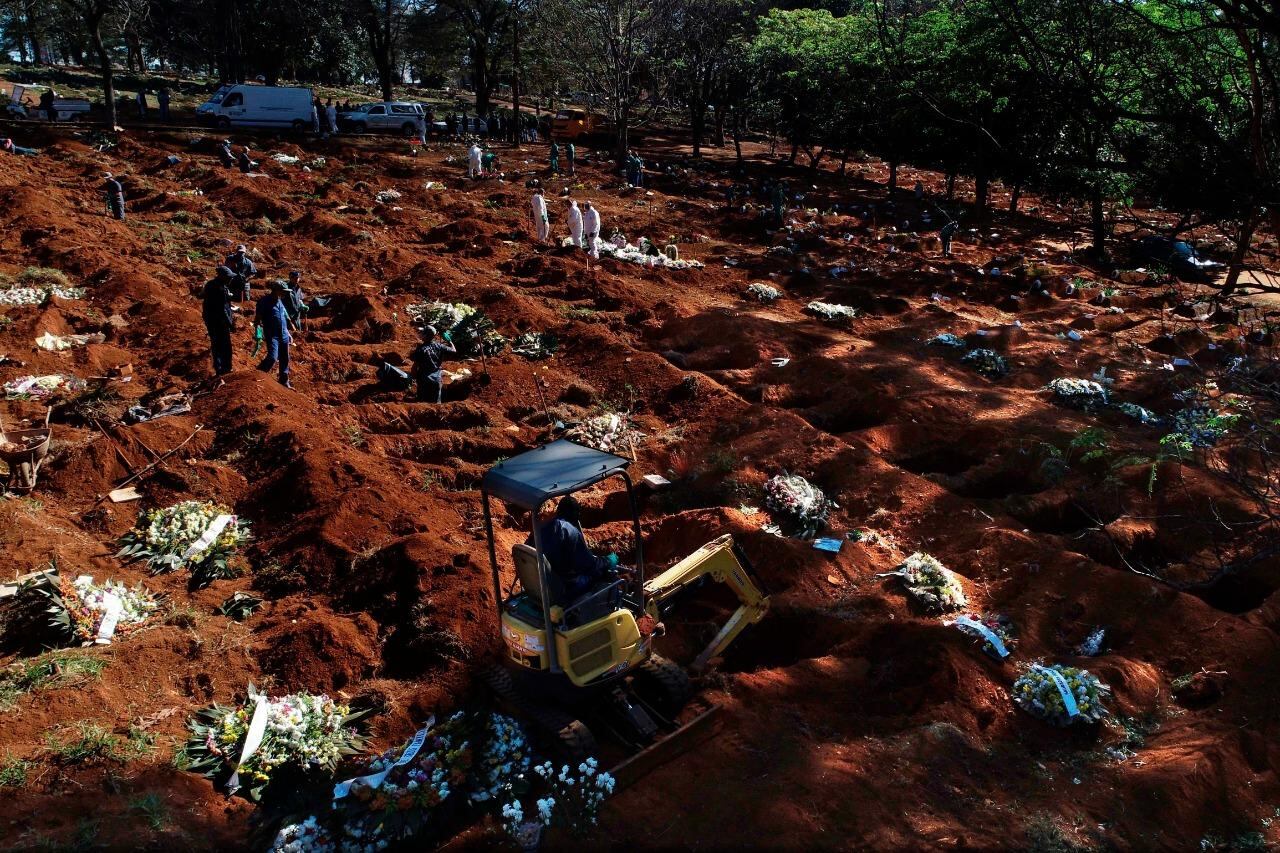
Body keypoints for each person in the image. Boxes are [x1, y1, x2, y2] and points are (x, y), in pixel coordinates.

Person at [527, 496, 621, 600]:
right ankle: (609, 607)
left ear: (559, 511)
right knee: (604, 575)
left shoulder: (540, 527)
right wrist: (608, 561)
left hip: (539, 585)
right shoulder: (570, 532)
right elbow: (590, 565)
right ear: (575, 514)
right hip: (561, 589)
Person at [254, 280, 294, 388]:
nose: (285, 293)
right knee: (272, 357)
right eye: (283, 291)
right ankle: (258, 374)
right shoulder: (264, 301)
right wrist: (258, 332)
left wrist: (288, 333)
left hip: (284, 334)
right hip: (272, 334)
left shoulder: (279, 301)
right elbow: (257, 319)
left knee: (285, 358)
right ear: (276, 290)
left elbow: (283, 319)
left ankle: (284, 381)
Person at [202, 266, 236, 376]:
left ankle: (219, 368)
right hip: (219, 321)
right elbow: (222, 309)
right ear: (222, 276)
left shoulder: (210, 285)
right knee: (224, 345)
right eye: (228, 277)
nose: (230, 279)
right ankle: (225, 369)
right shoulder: (220, 288)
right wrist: (230, 324)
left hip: (211, 320)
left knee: (216, 344)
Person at [409, 325, 456, 403]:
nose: (421, 334)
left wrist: (413, 378)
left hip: (423, 381)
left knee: (421, 404)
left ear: (425, 335)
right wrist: (450, 341)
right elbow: (454, 351)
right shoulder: (439, 346)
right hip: (437, 379)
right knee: (436, 405)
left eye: (423, 333)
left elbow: (415, 366)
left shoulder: (421, 349)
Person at [582, 201, 600, 268]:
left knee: (592, 242)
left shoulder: (594, 213)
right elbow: (585, 224)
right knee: (590, 243)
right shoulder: (587, 213)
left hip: (593, 231)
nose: (586, 207)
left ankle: (594, 256)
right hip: (588, 231)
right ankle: (594, 255)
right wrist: (586, 233)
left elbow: (596, 224)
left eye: (587, 205)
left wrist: (593, 232)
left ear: (590, 205)